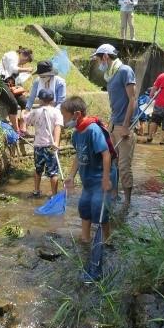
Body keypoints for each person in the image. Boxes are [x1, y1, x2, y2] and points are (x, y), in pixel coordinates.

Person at [61, 96, 117, 243]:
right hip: (88, 179)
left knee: (100, 208)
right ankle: (85, 238)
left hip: (101, 177)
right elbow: (79, 155)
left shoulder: (93, 130)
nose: (63, 120)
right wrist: (71, 176)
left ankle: (107, 239)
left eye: (64, 116)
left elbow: (106, 155)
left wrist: (106, 178)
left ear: (77, 114)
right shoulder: (76, 134)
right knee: (84, 206)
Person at [92, 44, 137, 210]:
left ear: (105, 56)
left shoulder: (125, 71)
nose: (97, 62)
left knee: (124, 166)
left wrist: (126, 126)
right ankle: (114, 195)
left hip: (124, 126)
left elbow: (133, 99)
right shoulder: (108, 74)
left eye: (97, 58)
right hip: (113, 124)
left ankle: (127, 203)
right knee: (112, 163)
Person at [26, 89, 63, 198]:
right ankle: (54, 195)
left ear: (40, 100)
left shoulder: (35, 112)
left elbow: (26, 120)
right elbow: (58, 127)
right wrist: (56, 142)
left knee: (38, 169)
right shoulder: (57, 112)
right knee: (53, 172)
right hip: (51, 146)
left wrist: (25, 129)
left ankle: (36, 190)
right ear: (52, 100)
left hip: (38, 146)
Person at [0, 47, 34, 134]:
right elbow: (13, 68)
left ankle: (22, 127)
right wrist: (26, 69)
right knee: (13, 103)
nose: (24, 63)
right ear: (25, 57)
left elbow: (15, 77)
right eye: (25, 61)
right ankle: (16, 130)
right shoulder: (12, 55)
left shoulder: (16, 62)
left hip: (10, 84)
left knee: (26, 103)